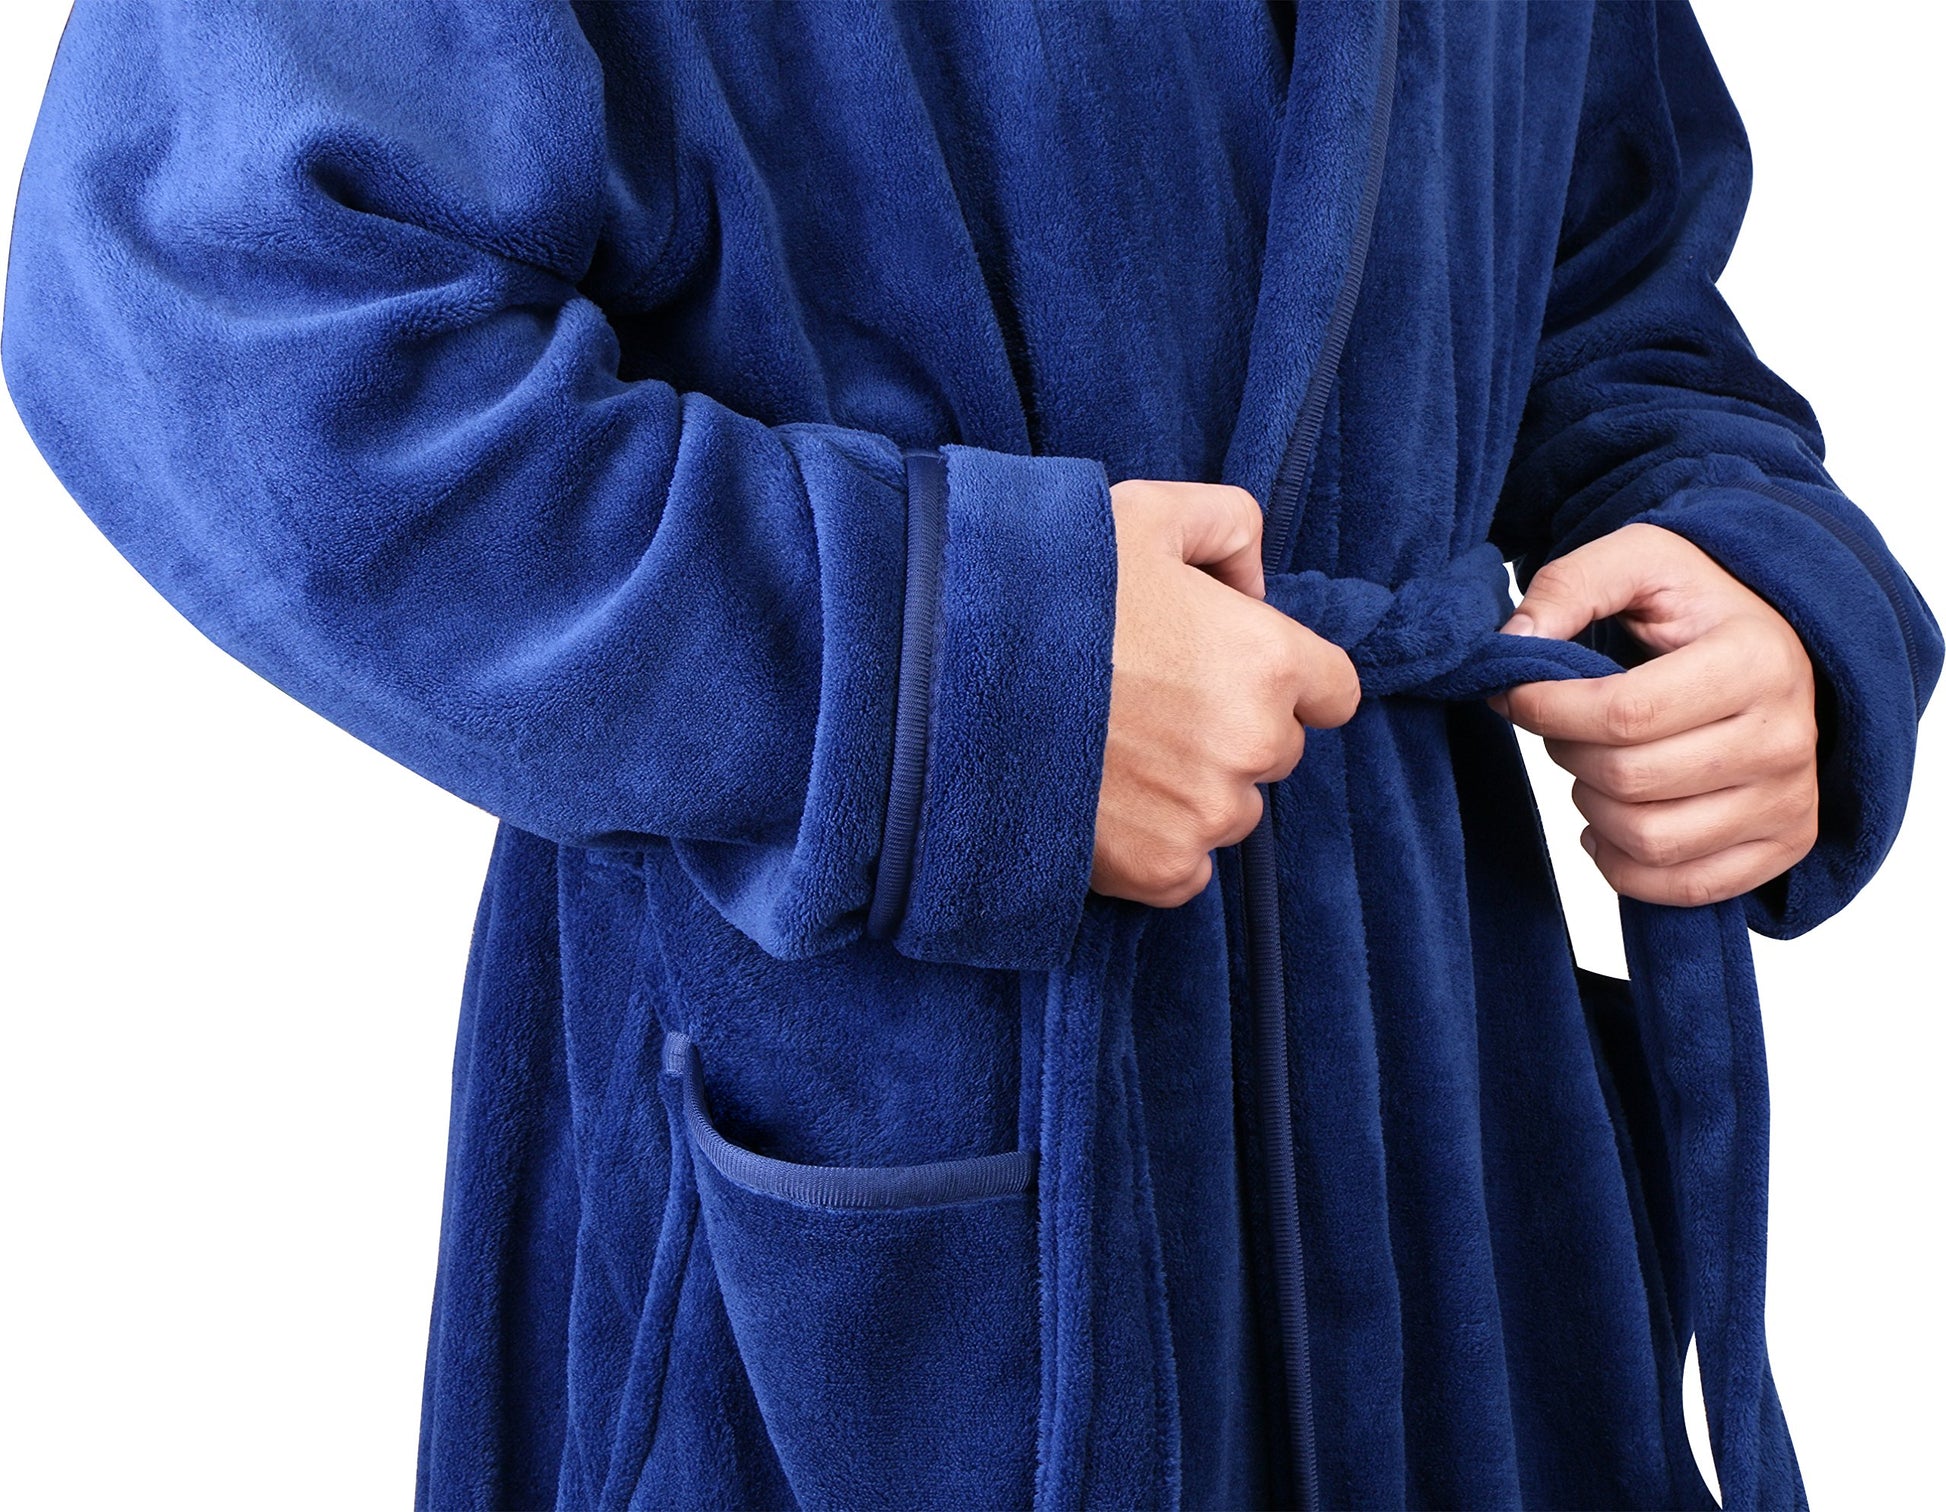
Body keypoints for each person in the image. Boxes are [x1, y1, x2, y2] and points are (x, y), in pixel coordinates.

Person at [4, 1, 1936, 1507]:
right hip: (883, 1107)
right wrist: (959, 670)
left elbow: (1604, 280)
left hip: (1455, 1130)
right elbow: (224, 310)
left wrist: (1748, 579)